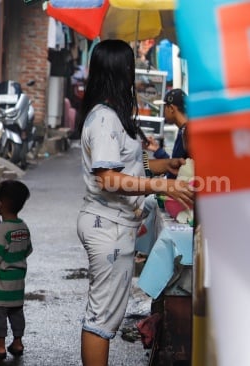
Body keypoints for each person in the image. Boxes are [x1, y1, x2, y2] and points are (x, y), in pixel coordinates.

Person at [75, 39, 194, 366]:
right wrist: (160, 185)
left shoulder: (113, 114)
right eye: (129, 67)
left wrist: (162, 166)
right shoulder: (103, 119)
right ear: (118, 71)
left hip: (117, 225)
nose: (133, 74)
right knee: (101, 319)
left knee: (107, 317)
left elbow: (130, 164)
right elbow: (109, 178)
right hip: (106, 226)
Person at [0, 179, 32, 359]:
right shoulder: (22, 227)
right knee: (17, 312)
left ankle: (0, 346)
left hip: (1, 283)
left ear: (0, 204)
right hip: (18, 283)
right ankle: (18, 343)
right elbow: (28, 250)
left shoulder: (0, 229)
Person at [147, 88, 189, 178]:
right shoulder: (183, 130)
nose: (163, 111)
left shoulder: (187, 133)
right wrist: (157, 150)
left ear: (171, 108)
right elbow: (175, 164)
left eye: (165, 107)